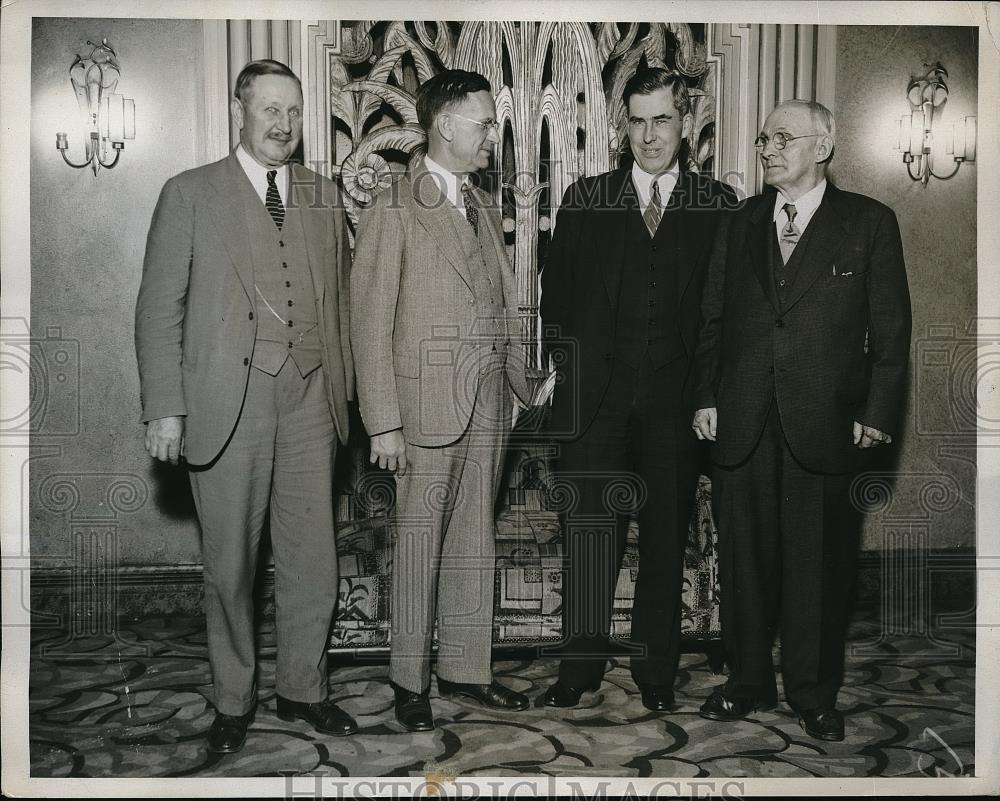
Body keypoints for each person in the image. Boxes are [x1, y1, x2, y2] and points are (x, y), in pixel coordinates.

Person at [135, 59, 357, 754]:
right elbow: (157, 310)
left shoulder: (324, 197)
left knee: (311, 559)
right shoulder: (190, 193)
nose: (283, 123)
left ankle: (304, 688)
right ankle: (234, 697)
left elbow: (340, 305)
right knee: (229, 564)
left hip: (311, 401)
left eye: (292, 110)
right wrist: (164, 407)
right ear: (242, 110)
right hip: (226, 405)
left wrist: (351, 399)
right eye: (269, 109)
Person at [691, 99, 911, 741]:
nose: (769, 148)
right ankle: (746, 683)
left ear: (825, 145)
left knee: (818, 570)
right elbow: (712, 320)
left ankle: (814, 695)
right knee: (744, 565)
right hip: (741, 422)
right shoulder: (739, 223)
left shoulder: (869, 223)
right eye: (765, 139)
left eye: (785, 137)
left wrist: (877, 411)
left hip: (826, 424)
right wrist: (705, 396)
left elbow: (892, 333)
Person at [539, 67, 738, 711]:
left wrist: (709, 395)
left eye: (662, 121)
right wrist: (569, 381)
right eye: (638, 122)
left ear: (684, 125)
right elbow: (557, 300)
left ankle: (656, 675)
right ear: (623, 127)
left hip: (677, 410)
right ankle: (580, 670)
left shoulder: (718, 207)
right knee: (591, 537)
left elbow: (725, 318)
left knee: (663, 541)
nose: (650, 135)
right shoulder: (585, 199)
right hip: (594, 407)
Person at [350, 69, 532, 732]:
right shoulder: (395, 204)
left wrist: (519, 386)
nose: (492, 135)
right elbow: (369, 319)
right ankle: (409, 682)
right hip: (422, 411)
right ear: (445, 123)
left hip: (485, 405)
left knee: (471, 543)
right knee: (421, 544)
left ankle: (465, 669)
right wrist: (384, 422)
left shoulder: (477, 202)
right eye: (484, 122)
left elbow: (500, 306)